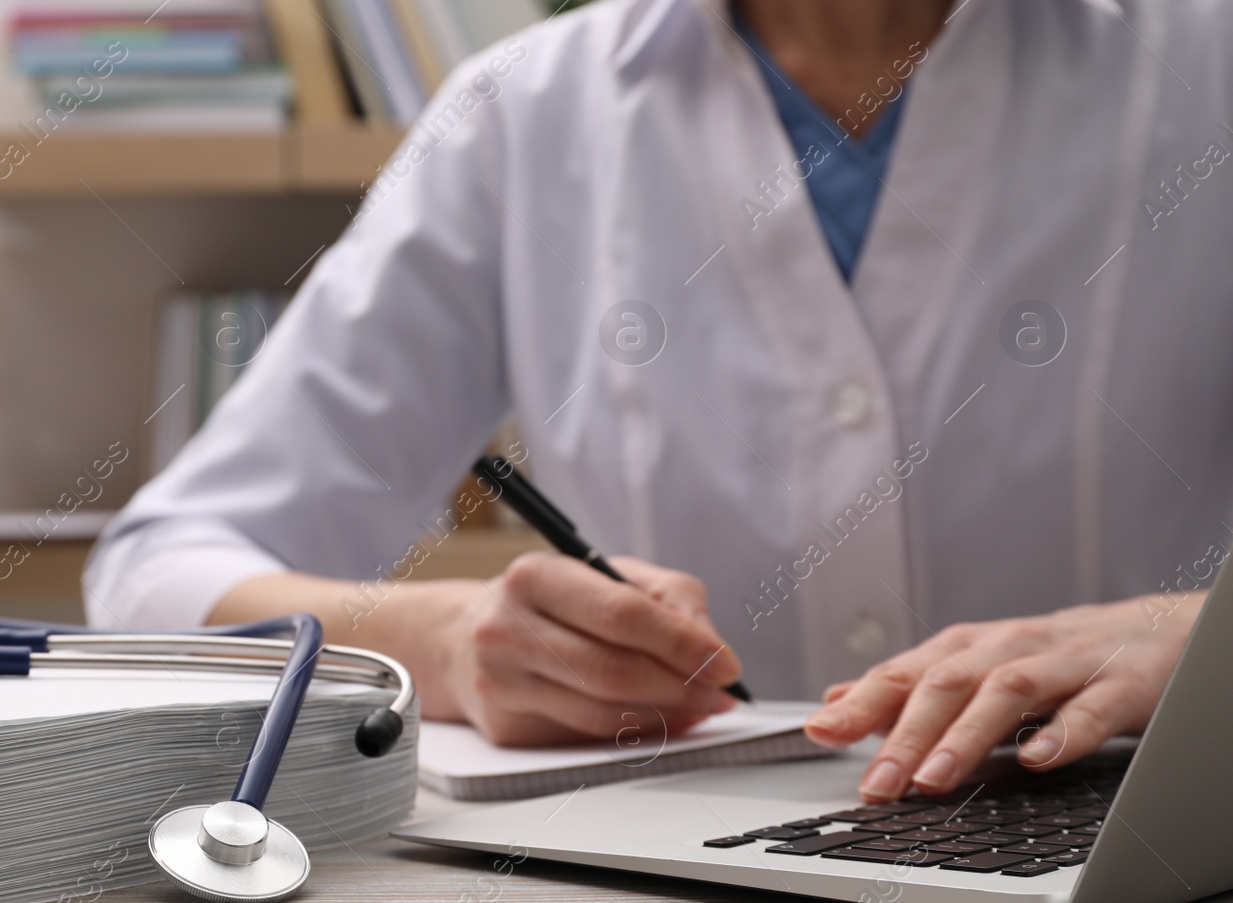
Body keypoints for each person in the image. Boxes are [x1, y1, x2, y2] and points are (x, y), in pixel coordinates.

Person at [86, 0, 1233, 804]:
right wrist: (435, 640)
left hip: (1159, 889)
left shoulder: (1205, 67)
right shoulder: (524, 114)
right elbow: (154, 572)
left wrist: (1197, 637)